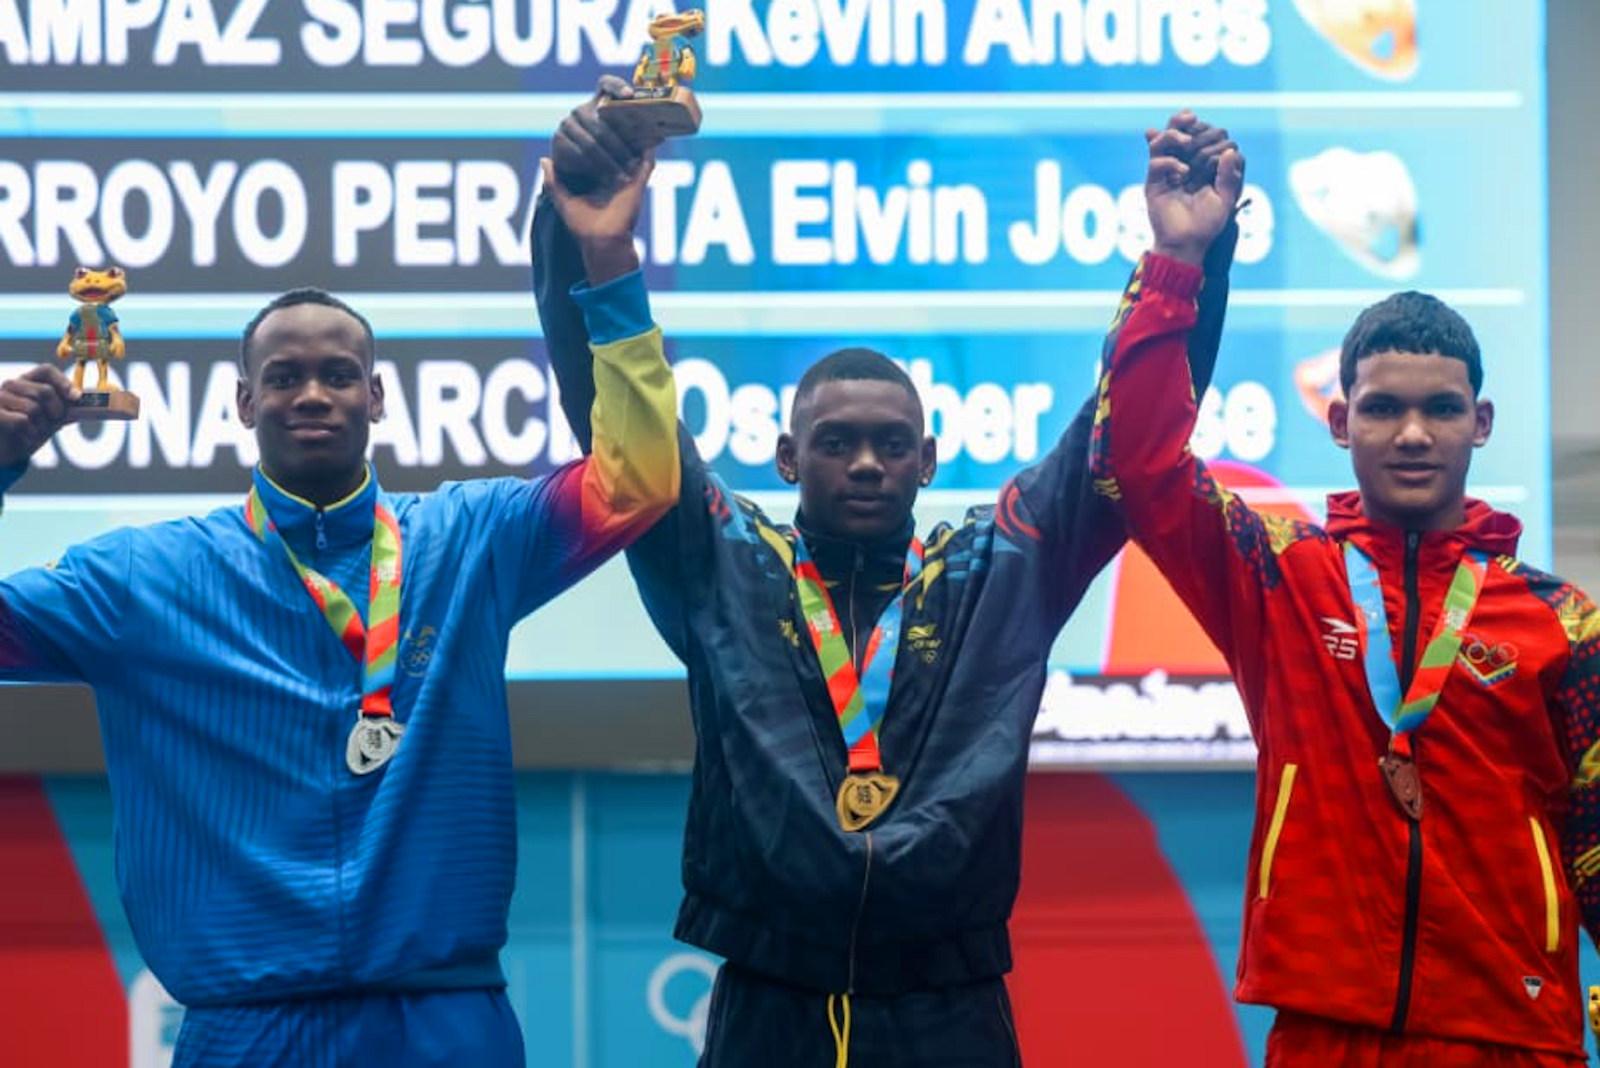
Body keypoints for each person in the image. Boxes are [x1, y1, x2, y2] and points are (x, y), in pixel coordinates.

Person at [533, 89, 1237, 1065]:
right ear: (786, 459)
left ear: (929, 460)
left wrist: (1188, 258)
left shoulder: (1002, 571)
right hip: (766, 1004)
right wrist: (589, 243)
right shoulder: (724, 568)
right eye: (837, 443)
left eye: (890, 444)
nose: (865, 463)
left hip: (948, 1009)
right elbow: (613, 411)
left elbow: (1120, 440)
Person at [0, 155, 678, 1067]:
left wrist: (607, 260)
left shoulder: (472, 539)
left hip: (446, 1024)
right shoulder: (142, 579)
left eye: (338, 374)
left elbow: (640, 479)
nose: (312, 393)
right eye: (283, 377)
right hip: (247, 1032)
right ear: (244, 402)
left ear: (378, 395)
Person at [1093, 113, 1598, 1065]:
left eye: (1442, 409)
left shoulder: (1562, 623)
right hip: (1325, 1029)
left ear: (1481, 422)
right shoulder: (1279, 572)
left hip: (1513, 1036)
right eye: (1384, 409)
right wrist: (1176, 262)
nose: (1414, 434)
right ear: (1339, 420)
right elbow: (1141, 465)